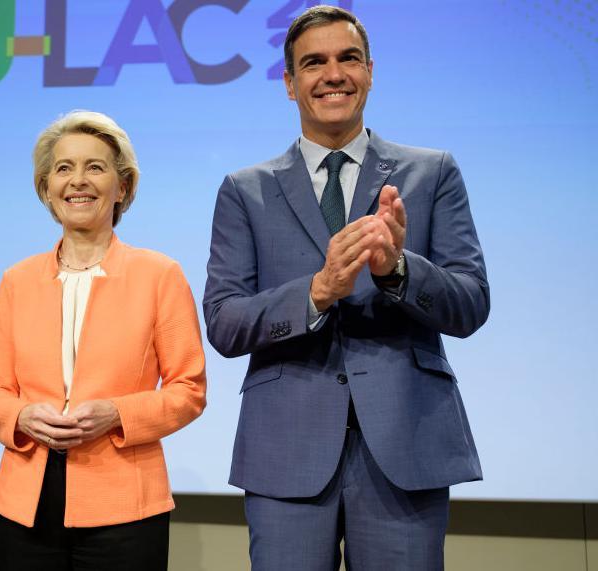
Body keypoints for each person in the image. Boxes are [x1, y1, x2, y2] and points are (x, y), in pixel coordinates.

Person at [203, 6, 489, 570]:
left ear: (370, 71)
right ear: (290, 83)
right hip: (286, 449)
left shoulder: (431, 173)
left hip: (405, 445)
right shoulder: (244, 190)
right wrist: (318, 290)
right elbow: (224, 321)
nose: (332, 74)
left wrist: (397, 271)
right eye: (314, 62)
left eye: (347, 58)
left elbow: (471, 302)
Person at [0, 110, 207, 570]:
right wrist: (22, 415)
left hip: (126, 509)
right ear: (46, 188)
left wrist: (117, 414)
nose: (77, 181)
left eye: (95, 167)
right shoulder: (16, 280)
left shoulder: (159, 275)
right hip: (24, 507)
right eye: (63, 168)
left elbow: (189, 390)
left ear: (122, 187)